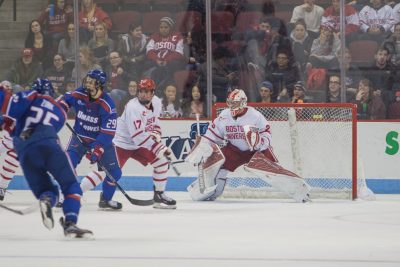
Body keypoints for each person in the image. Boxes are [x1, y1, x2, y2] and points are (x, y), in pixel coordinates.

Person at [0, 78, 92, 238]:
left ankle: (47, 198)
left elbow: (6, 109)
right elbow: (60, 111)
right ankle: (70, 223)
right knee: (70, 185)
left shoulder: (28, 96)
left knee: (45, 189)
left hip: (24, 148)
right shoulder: (60, 112)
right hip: (48, 142)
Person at [185, 89, 310, 202]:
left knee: (273, 171)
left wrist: (260, 143)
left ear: (243, 102)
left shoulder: (255, 116)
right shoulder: (224, 116)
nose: (231, 106)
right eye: (230, 103)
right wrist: (204, 145)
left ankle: (300, 190)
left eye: (235, 103)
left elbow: (267, 134)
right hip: (234, 150)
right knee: (219, 166)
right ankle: (210, 193)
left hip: (256, 151)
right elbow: (212, 134)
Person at [57, 69, 123, 210]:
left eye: (91, 82)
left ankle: (105, 200)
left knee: (115, 173)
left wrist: (98, 147)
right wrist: (61, 109)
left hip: (99, 140)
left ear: (100, 85)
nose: (87, 84)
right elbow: (65, 99)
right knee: (68, 163)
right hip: (79, 138)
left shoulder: (108, 104)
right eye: (87, 80)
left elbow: (108, 131)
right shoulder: (80, 93)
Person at [112, 78, 177, 209]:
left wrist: (156, 134)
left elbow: (154, 122)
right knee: (107, 172)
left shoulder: (157, 102)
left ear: (153, 93)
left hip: (139, 144)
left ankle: (159, 196)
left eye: (147, 91)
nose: (144, 94)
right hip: (122, 142)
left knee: (161, 163)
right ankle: (75, 193)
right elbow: (137, 136)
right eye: (141, 91)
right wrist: (159, 147)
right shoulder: (133, 107)